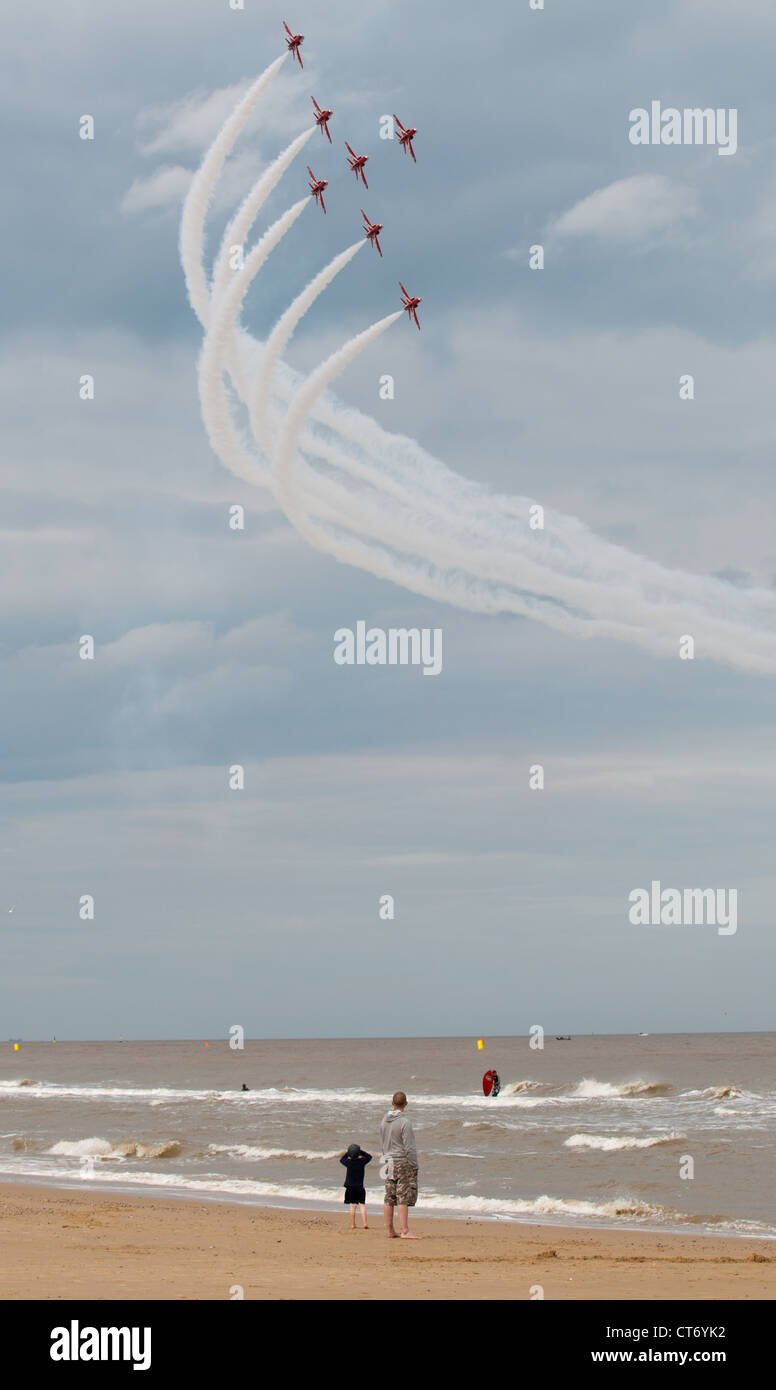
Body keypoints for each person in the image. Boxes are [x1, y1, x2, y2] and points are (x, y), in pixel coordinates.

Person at [380, 1090, 420, 1239]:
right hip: (401, 1160)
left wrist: (385, 1158)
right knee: (402, 1195)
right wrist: (414, 1164)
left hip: (388, 1159)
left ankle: (390, 1230)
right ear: (406, 1104)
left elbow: (382, 1142)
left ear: (392, 1103)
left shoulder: (384, 1120)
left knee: (390, 1195)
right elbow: (409, 1146)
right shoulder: (405, 1122)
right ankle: (404, 1230)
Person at [339, 1142, 372, 1229]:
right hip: (360, 1187)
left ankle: (353, 1224)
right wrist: (361, 1152)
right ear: (358, 1153)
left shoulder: (348, 1162)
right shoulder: (362, 1161)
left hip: (350, 1187)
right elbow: (369, 1157)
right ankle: (365, 1223)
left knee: (352, 1205)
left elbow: (341, 1159)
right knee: (362, 1205)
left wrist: (348, 1153)